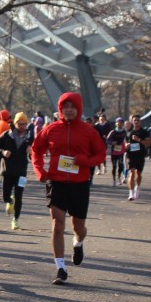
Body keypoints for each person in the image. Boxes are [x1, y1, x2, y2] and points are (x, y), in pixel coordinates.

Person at [31, 92, 106, 285]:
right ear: (60, 109)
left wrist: (84, 161)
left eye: (73, 107)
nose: (69, 110)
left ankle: (78, 242)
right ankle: (60, 268)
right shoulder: (51, 129)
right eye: (66, 107)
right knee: (58, 224)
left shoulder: (89, 131)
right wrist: (40, 171)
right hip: (56, 182)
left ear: (79, 109)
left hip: (80, 184)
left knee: (78, 228)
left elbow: (100, 154)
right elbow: (36, 149)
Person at [0, 111, 34, 230]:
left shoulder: (30, 137)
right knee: (5, 196)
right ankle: (10, 201)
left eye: (24, 124)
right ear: (15, 123)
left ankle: (15, 220)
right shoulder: (7, 135)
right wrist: (3, 152)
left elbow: (36, 153)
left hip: (21, 172)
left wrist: (31, 152)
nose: (22, 126)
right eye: (19, 124)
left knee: (19, 196)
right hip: (7, 171)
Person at [125, 113, 151, 201]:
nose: (136, 122)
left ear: (140, 122)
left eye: (138, 120)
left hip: (140, 155)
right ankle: (131, 193)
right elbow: (125, 142)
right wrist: (126, 145)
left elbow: (149, 143)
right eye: (135, 120)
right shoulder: (129, 132)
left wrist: (139, 140)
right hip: (131, 155)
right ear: (132, 121)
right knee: (131, 172)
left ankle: (137, 187)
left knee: (138, 173)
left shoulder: (144, 132)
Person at [105, 117, 127, 187]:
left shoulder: (124, 132)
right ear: (116, 123)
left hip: (121, 152)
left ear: (123, 124)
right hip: (114, 152)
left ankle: (119, 177)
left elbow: (127, 139)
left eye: (121, 122)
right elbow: (107, 140)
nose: (119, 124)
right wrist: (112, 142)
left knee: (121, 165)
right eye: (118, 122)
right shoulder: (113, 132)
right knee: (114, 166)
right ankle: (114, 180)